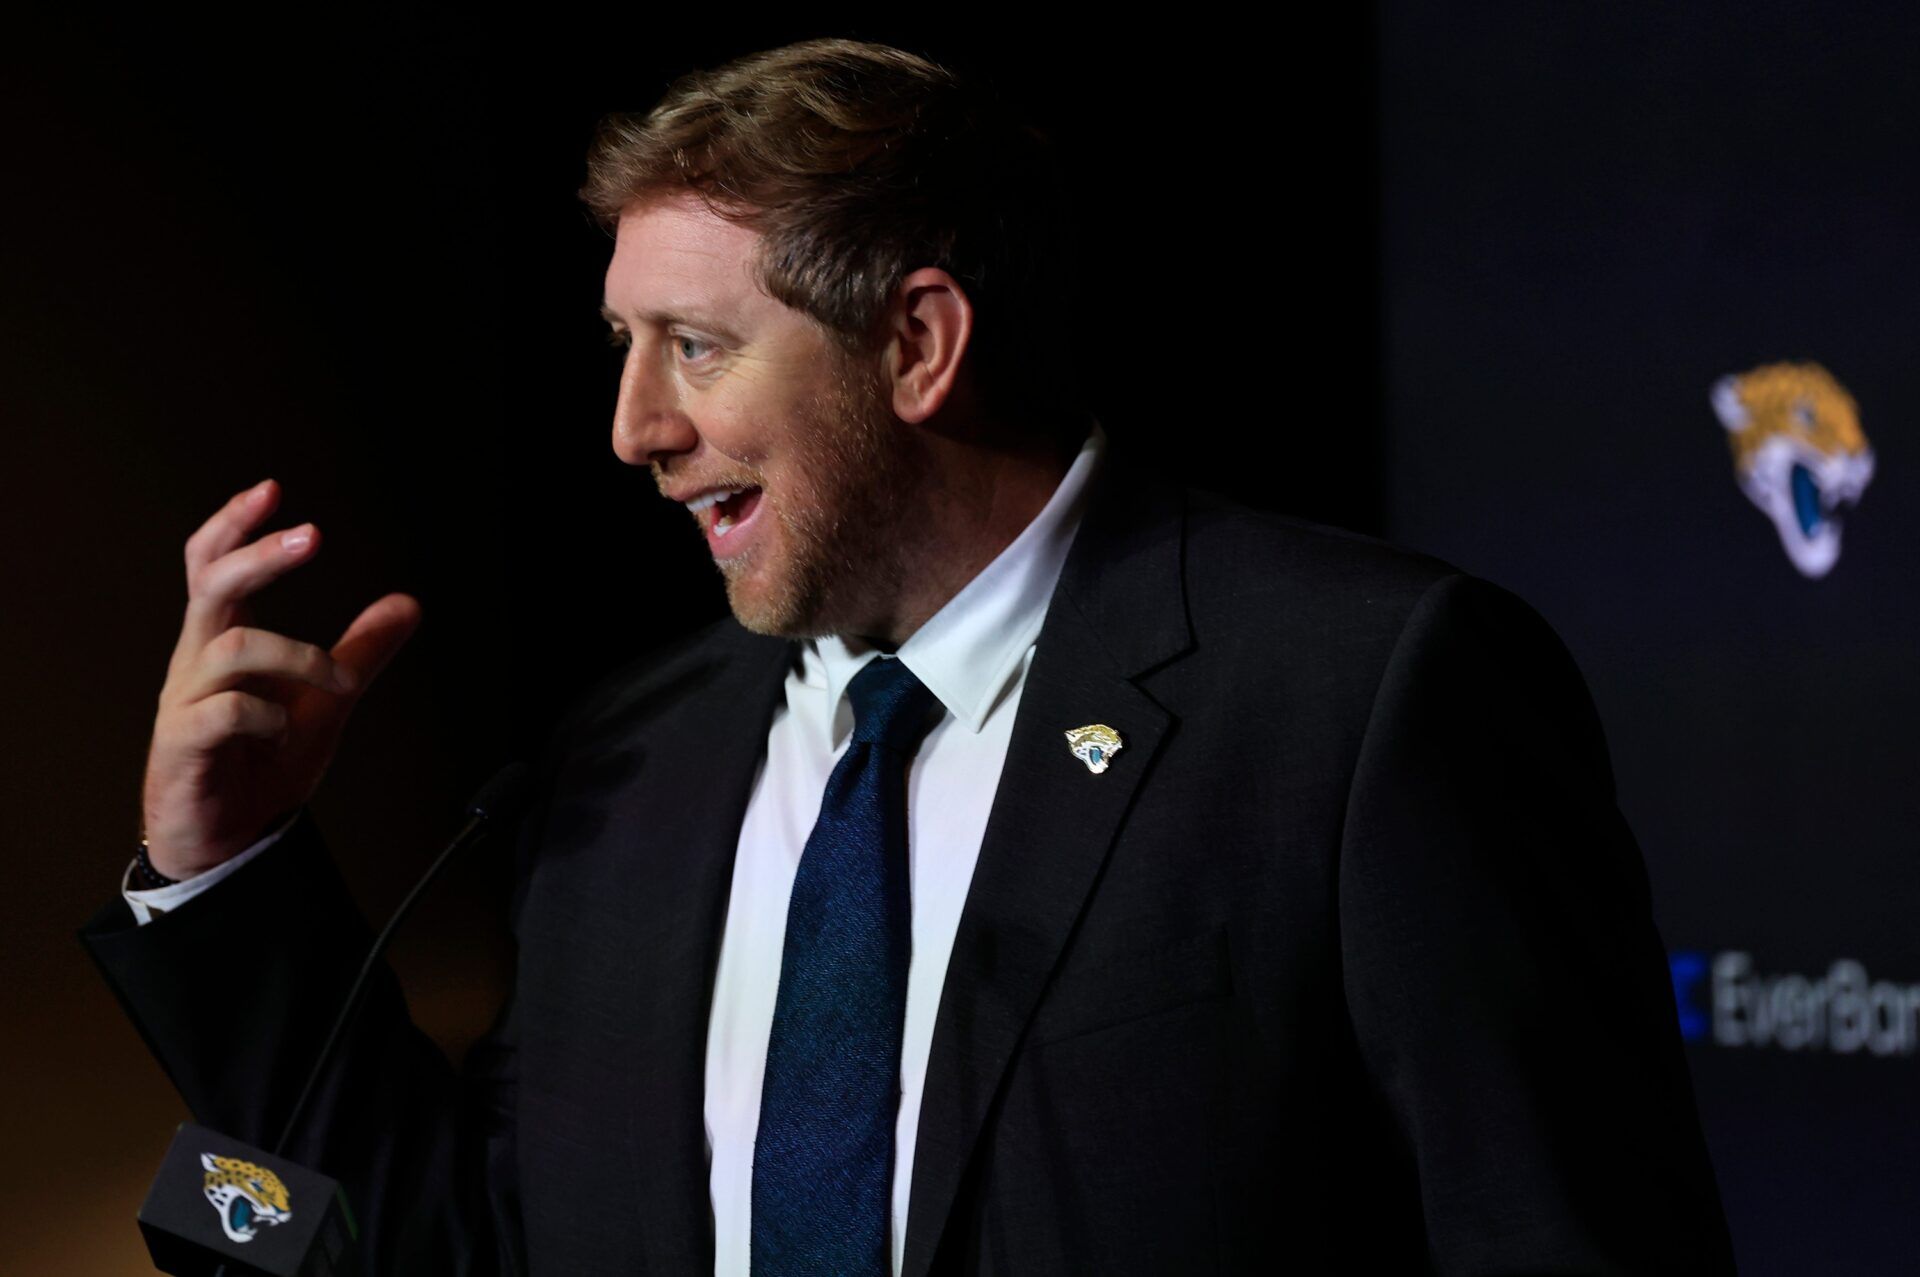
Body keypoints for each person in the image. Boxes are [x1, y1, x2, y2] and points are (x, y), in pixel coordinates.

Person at [82, 37, 1736, 1275]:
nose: (634, 429)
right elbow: (457, 1247)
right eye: (622, 347)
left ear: (918, 343)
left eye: (697, 348)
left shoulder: (1362, 695)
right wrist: (226, 878)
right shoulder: (623, 764)